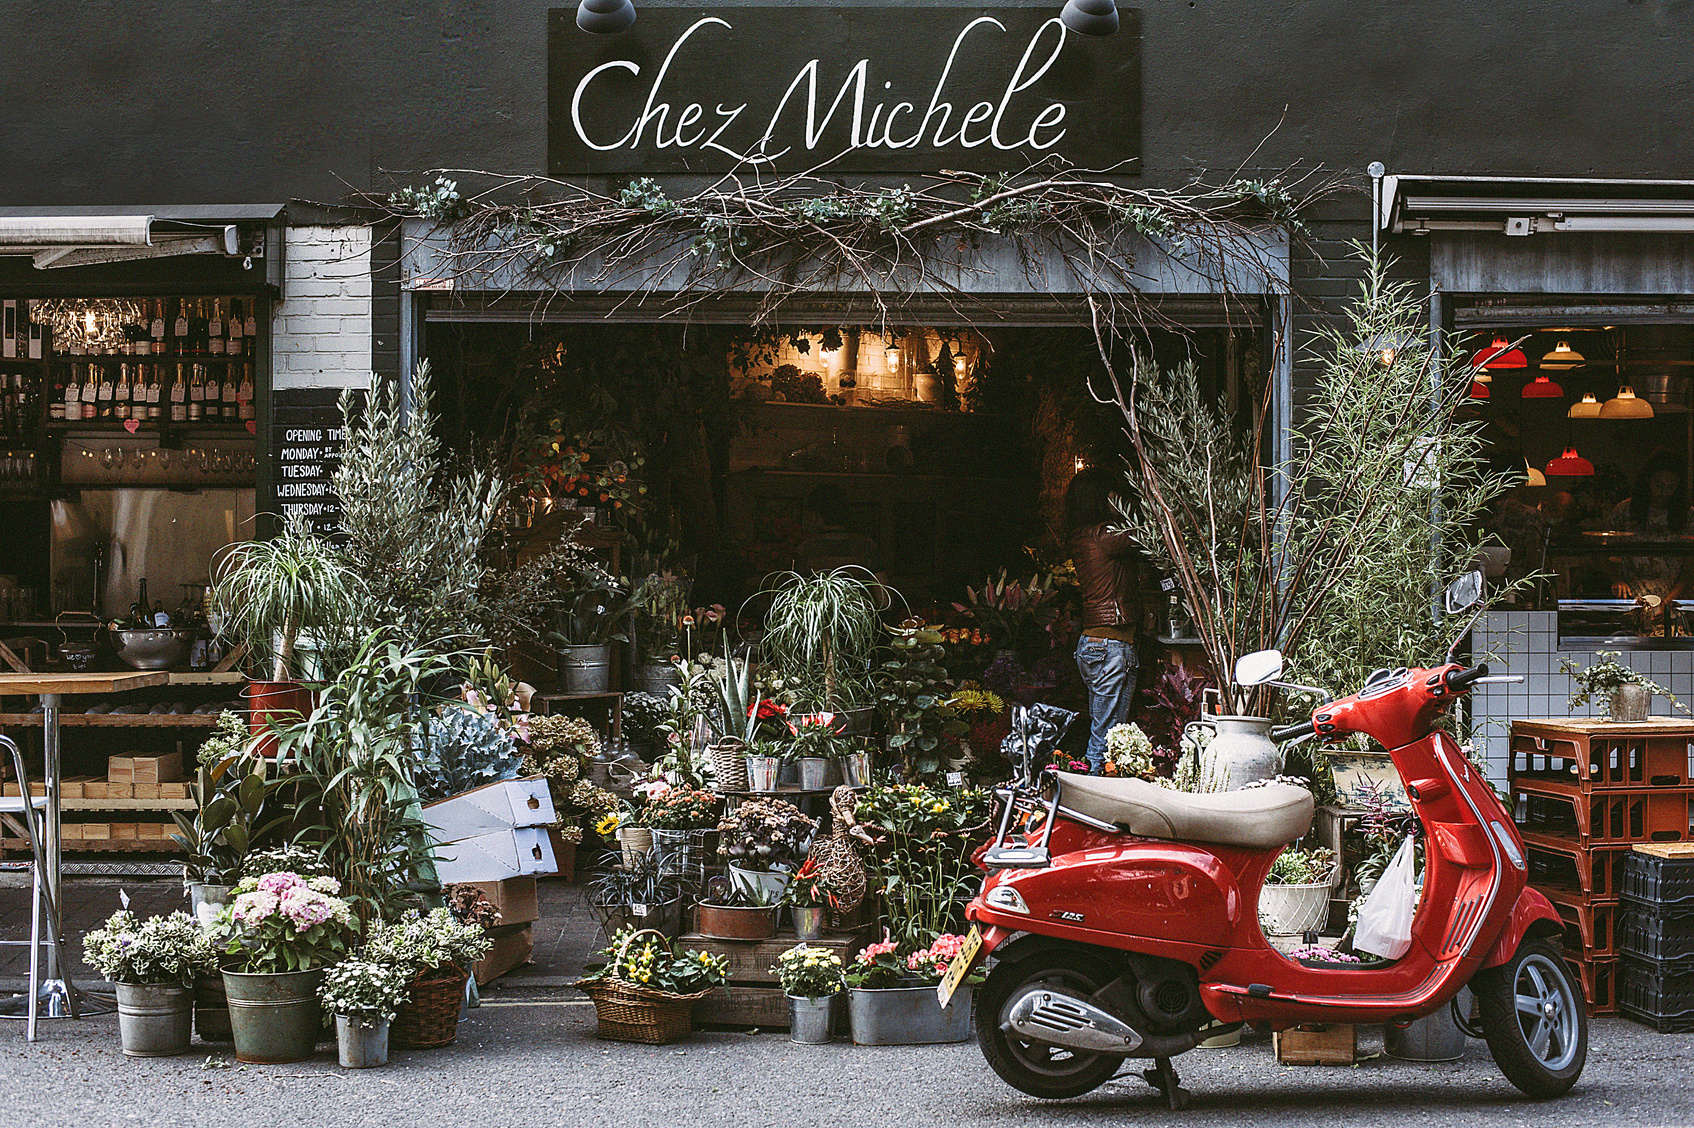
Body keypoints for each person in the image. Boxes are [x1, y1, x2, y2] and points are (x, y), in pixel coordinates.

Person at [1066, 467, 1142, 774]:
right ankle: (1092, 804)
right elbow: (1145, 533)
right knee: (1107, 738)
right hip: (1111, 646)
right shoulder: (1104, 535)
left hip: (1095, 644)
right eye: (1112, 494)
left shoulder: (1082, 536)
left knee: (1107, 733)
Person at [795, 483, 881, 575]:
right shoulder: (867, 545)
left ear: (817, 515)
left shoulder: (806, 549)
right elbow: (882, 586)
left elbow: (799, 587)